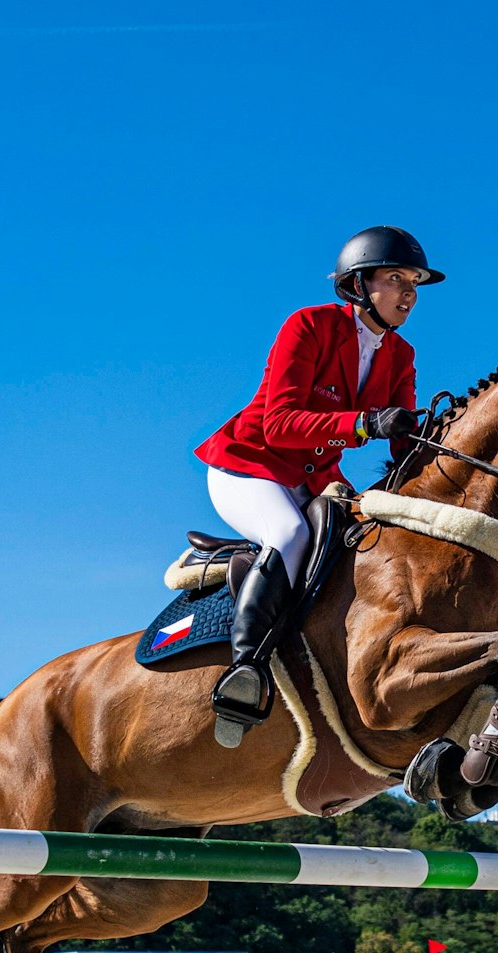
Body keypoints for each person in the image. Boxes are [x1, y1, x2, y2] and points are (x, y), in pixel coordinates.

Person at [194, 225, 440, 745]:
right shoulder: (308, 325)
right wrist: (363, 424)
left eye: (414, 282)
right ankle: (246, 670)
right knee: (289, 535)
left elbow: (404, 445)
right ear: (358, 284)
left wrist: (444, 439)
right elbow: (279, 425)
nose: (409, 293)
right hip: (248, 464)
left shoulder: (401, 356)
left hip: (316, 478)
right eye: (395, 279)